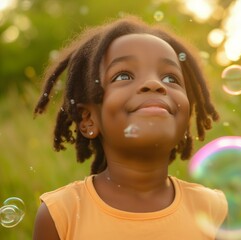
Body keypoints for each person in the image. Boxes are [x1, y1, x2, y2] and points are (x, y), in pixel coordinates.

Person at [32, 15, 228, 240]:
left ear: (187, 114)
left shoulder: (213, 209)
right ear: (88, 119)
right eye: (123, 75)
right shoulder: (61, 213)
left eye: (171, 78)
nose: (154, 84)